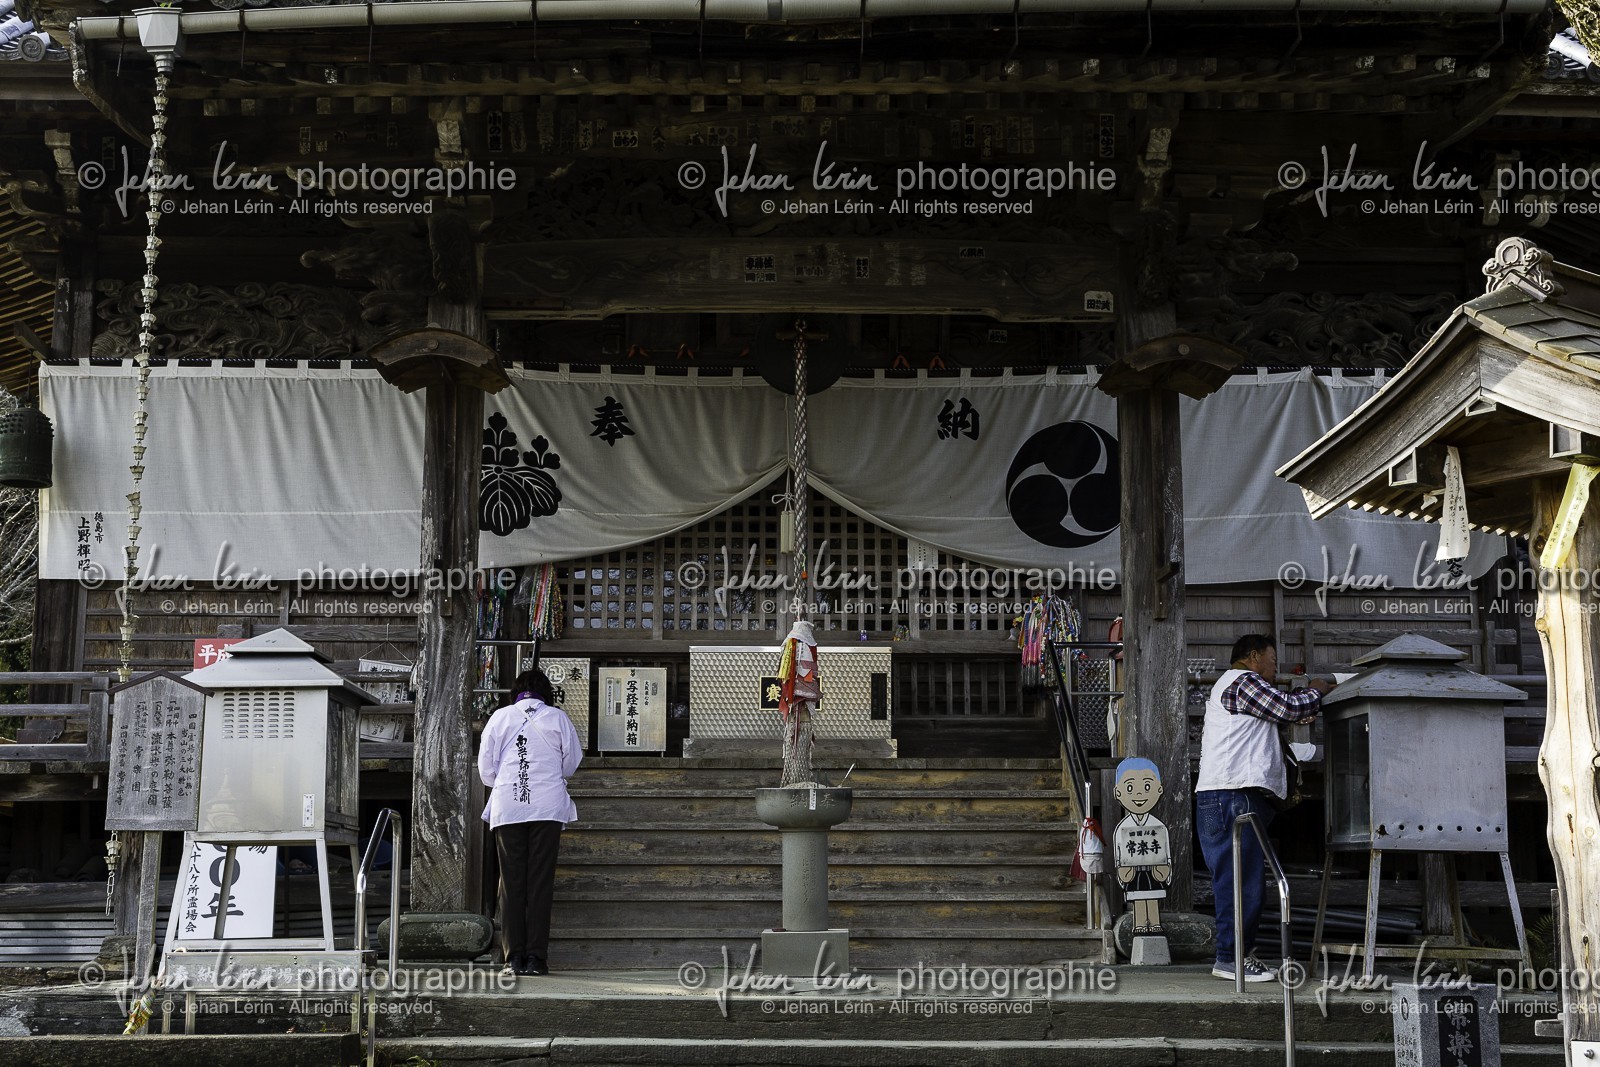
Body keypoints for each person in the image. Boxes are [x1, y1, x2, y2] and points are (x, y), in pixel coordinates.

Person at [1195, 634, 1331, 983]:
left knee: (1237, 881)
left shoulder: (1238, 688)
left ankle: (1236, 956)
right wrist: (1315, 691)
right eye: (1273, 660)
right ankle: (1231, 959)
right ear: (1253, 656)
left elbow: (1281, 714)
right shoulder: (1243, 681)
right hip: (1232, 796)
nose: (1276, 669)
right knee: (1242, 883)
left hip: (1224, 796)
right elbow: (1289, 708)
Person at [478, 667, 583, 977]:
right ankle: (537, 959)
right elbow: (571, 764)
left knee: (511, 883)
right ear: (546, 693)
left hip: (509, 807)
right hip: (547, 807)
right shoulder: (558, 718)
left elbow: (485, 770)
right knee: (540, 882)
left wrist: (506, 782)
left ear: (516, 693)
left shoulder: (500, 717)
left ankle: (512, 958)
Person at [1111, 757, 1172, 936]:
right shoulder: (1122, 828)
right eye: (1130, 788)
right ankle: (1139, 924)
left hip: (1153, 870)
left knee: (1152, 896)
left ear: (1159, 789)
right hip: (1134, 872)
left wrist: (1166, 867)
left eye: (1147, 787)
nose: (1139, 794)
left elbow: (1166, 851)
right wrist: (1122, 870)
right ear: (1118, 792)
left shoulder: (1159, 826)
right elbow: (1119, 853)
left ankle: (1154, 923)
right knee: (1138, 898)